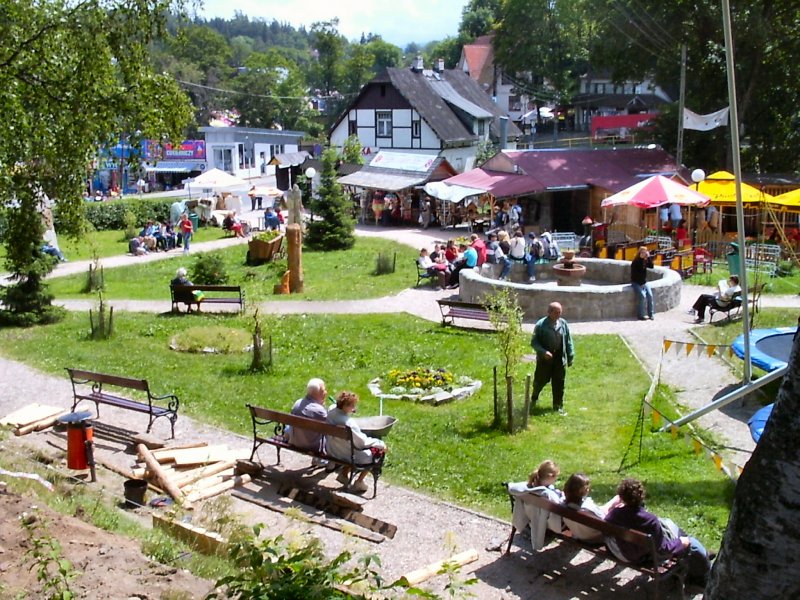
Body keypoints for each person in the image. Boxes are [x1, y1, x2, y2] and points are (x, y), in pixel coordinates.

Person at [605, 478, 712, 587]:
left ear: (621, 497)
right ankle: (706, 575)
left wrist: (614, 508)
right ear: (641, 496)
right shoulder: (650, 520)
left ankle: (701, 556)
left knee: (667, 524)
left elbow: (607, 521)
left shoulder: (615, 514)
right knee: (691, 543)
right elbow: (663, 549)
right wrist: (681, 542)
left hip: (624, 550)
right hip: (643, 557)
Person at [326, 391, 387, 495]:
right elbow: (362, 443)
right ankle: (359, 481)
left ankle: (344, 474)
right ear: (346, 406)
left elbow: (333, 407)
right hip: (347, 455)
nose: (354, 408)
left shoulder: (330, 412)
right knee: (377, 451)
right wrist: (380, 443)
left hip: (332, 451)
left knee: (350, 448)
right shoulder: (349, 423)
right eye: (353, 405)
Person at [508, 460, 564, 551]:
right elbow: (558, 505)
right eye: (556, 477)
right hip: (546, 521)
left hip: (529, 515)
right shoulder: (548, 495)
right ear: (551, 476)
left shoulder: (527, 488)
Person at [530, 302, 574, 415]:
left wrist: (570, 356)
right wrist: (543, 352)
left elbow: (568, 340)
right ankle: (534, 397)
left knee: (559, 382)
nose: (558, 315)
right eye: (556, 312)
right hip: (545, 359)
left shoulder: (563, 323)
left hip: (559, 357)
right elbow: (534, 342)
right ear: (549, 312)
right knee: (541, 380)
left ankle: (557, 406)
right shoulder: (541, 325)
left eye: (560, 312)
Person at [561, 473, 620, 543]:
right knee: (616, 504)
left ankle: (615, 499)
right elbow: (605, 521)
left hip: (579, 533)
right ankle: (617, 499)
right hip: (594, 538)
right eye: (587, 488)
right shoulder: (587, 508)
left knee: (612, 502)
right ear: (583, 490)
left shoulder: (563, 505)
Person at [288, 378, 329, 461]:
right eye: (324, 390)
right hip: (312, 446)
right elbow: (331, 426)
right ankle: (320, 460)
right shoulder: (319, 411)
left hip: (295, 441)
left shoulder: (298, 403)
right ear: (319, 393)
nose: (326, 392)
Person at [630, 246, 654, 321]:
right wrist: (641, 283)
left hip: (644, 282)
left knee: (650, 295)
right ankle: (640, 315)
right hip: (636, 282)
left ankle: (651, 314)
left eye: (645, 252)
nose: (644, 254)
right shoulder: (635, 262)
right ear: (640, 253)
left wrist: (649, 257)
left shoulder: (645, 260)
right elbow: (635, 275)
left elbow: (652, 266)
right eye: (643, 252)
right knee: (642, 296)